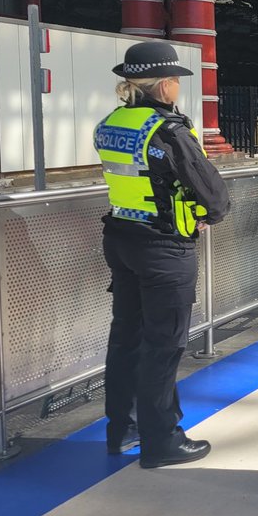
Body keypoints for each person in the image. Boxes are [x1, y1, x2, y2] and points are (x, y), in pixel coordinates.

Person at [95, 40, 230, 468]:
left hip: (121, 238)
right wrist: (210, 214)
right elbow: (211, 191)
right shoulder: (168, 131)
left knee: (127, 337)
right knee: (164, 343)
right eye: (174, 80)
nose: (177, 87)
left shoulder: (111, 123)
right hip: (164, 247)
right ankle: (162, 440)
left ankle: (122, 429)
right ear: (164, 85)